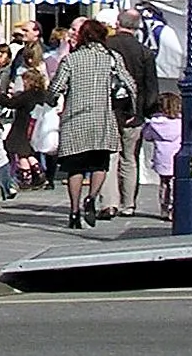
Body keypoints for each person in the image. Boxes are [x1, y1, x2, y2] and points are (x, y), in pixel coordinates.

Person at [48, 16, 135, 229]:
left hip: (74, 119)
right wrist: (130, 109)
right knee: (100, 164)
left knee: (74, 167)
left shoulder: (71, 59)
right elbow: (130, 84)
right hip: (102, 119)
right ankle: (92, 197)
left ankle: (74, 211)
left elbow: (55, 88)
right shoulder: (112, 58)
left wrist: (51, 100)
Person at [106, 7, 160, 216]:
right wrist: (146, 111)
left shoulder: (107, 46)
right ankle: (128, 204)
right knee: (130, 159)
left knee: (110, 157)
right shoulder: (144, 52)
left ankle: (110, 203)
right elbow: (151, 85)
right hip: (134, 113)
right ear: (137, 28)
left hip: (109, 110)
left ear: (118, 23)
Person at [143, 91, 184, 219]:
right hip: (177, 155)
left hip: (162, 156)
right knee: (175, 184)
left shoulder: (154, 123)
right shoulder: (181, 122)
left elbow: (147, 136)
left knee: (164, 184)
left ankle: (164, 208)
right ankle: (174, 208)